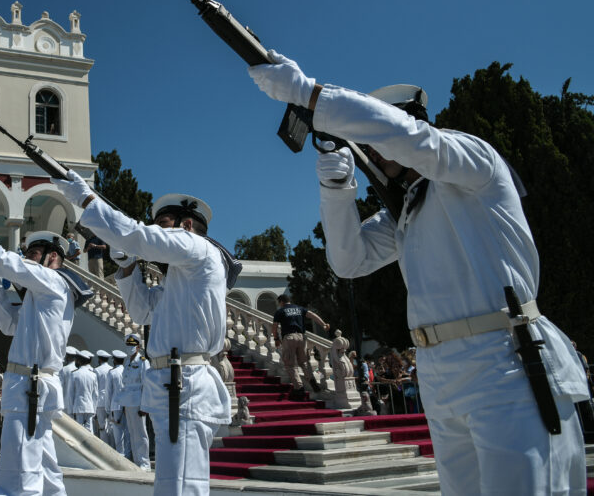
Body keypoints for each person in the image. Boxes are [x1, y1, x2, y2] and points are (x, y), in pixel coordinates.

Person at [248, 54, 589, 495]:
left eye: (373, 142)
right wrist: (336, 190)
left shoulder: (470, 160)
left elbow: (414, 142)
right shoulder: (406, 209)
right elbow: (348, 261)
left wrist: (308, 94)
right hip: (439, 373)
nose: (370, 152)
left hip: (504, 361)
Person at [55, 172, 233, 496]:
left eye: (163, 224)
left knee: (184, 486)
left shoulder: (199, 250)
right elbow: (140, 311)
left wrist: (84, 197)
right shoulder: (176, 282)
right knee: (168, 484)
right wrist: (126, 267)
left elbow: (139, 237)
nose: (158, 231)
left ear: (187, 226)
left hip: (186, 381)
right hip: (171, 384)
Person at [0, 203, 92, 496]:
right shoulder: (41, 294)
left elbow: (4, 260)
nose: (27, 260)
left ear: (53, 257)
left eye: (32, 255)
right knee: (44, 466)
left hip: (30, 386)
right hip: (29, 384)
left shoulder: (52, 281)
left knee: (18, 470)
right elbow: (11, 325)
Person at [271, 294, 328, 393]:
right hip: (301, 337)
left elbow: (274, 327)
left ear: (281, 302)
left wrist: (276, 338)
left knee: (290, 364)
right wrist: (323, 324)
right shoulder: (299, 308)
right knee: (304, 362)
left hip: (289, 337)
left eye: (279, 303)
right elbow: (312, 315)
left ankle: (299, 387)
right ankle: (312, 381)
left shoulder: (280, 311)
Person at [119, 334, 151, 471]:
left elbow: (146, 384)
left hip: (138, 400)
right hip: (128, 401)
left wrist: (144, 405)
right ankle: (136, 461)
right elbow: (125, 383)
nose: (130, 348)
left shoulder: (143, 361)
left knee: (141, 432)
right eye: (128, 345)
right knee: (131, 432)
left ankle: (145, 462)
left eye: (132, 346)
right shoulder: (127, 362)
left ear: (138, 347)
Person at [104, 350, 130, 458]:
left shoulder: (112, 372)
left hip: (116, 405)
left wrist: (107, 409)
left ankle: (120, 455)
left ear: (114, 360)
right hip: (127, 405)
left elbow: (108, 392)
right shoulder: (126, 371)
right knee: (127, 432)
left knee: (118, 433)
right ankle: (128, 455)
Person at [67, 350, 98, 432]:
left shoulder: (74, 374)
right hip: (90, 407)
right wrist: (94, 410)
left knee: (78, 432)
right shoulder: (93, 375)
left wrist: (70, 411)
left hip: (78, 408)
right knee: (89, 433)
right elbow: (95, 395)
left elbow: (70, 394)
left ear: (80, 361)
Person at [92, 350, 114, 446]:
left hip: (100, 401)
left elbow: (95, 388)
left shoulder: (96, 370)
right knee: (111, 425)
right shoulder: (111, 369)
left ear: (99, 359)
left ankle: (105, 446)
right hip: (110, 400)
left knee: (101, 426)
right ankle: (113, 446)